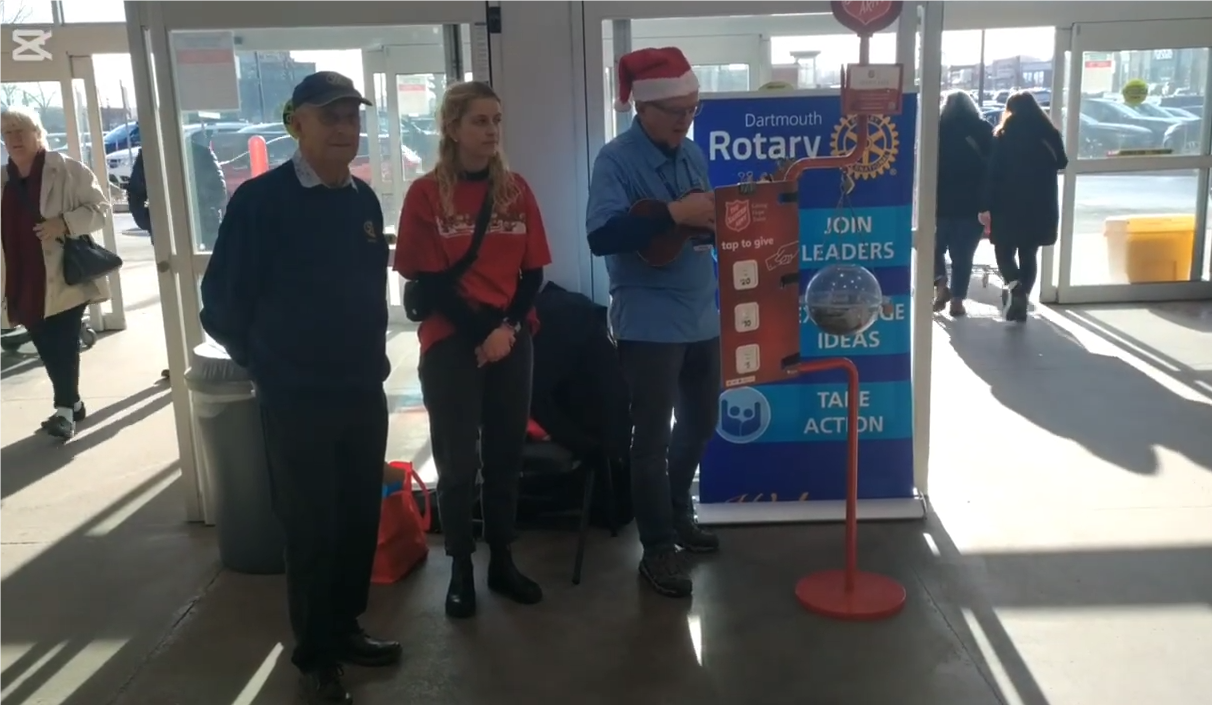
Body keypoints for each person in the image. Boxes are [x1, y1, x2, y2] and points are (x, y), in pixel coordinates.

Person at [199, 71, 398, 705]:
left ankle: (345, 628)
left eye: (351, 116)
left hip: (360, 389)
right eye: (329, 116)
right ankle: (315, 652)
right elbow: (222, 304)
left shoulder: (361, 201)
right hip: (296, 396)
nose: (344, 128)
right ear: (298, 124)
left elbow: (369, 293)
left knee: (356, 518)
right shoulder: (260, 202)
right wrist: (267, 365)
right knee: (310, 526)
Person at [394, 80, 552, 620]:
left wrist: (505, 328)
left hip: (511, 341)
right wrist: (483, 332)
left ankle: (501, 561)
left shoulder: (517, 190)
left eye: (497, 121)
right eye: (479, 121)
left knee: (506, 457)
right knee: (458, 464)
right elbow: (431, 283)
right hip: (451, 343)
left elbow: (533, 273)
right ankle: (460, 567)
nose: (490, 131)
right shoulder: (425, 195)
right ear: (453, 128)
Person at [585, 46, 720, 599]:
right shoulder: (615, 160)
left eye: (693, 109)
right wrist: (672, 214)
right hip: (647, 324)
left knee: (701, 423)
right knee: (650, 441)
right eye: (677, 112)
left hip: (702, 314)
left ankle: (676, 512)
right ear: (645, 108)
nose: (686, 120)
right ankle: (658, 548)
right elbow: (601, 236)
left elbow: (701, 222)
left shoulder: (691, 154)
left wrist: (713, 225)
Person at [0, 106, 110, 440]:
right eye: (7, 132)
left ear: (38, 133)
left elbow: (100, 211)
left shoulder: (67, 171)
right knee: (45, 343)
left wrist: (63, 224)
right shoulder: (3, 179)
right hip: (19, 277)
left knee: (62, 341)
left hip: (62, 275)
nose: (14, 138)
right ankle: (73, 403)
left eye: (21, 130)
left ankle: (63, 411)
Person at [980, 90, 1068, 322]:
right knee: (1029, 252)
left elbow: (993, 172)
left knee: (1003, 251)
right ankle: (1022, 302)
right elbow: (1062, 162)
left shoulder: (1003, 134)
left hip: (1007, 204)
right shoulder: (1049, 133)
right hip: (1040, 203)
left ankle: (1016, 288)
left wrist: (985, 205)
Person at [934, 91, 993, 317]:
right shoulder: (983, 128)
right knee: (963, 254)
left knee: (933, 247)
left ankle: (940, 283)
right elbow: (992, 166)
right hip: (972, 204)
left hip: (940, 201)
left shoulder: (937, 128)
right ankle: (957, 301)